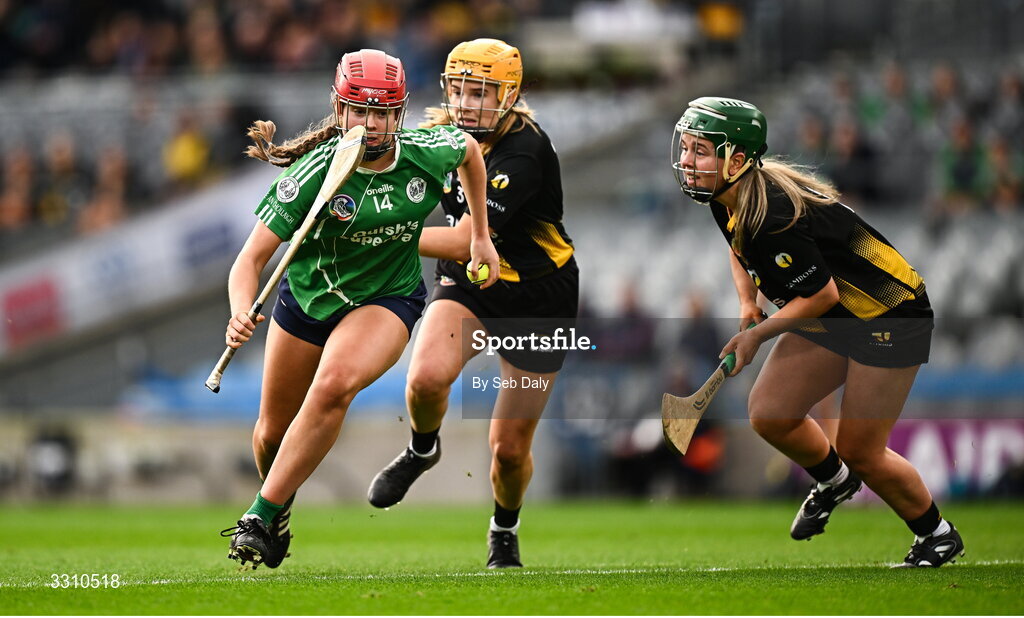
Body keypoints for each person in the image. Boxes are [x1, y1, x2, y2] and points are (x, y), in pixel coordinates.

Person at [218, 49, 498, 570]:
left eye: (382, 112)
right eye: (358, 110)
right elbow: (249, 261)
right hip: (307, 302)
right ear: (338, 109)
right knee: (270, 438)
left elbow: (469, 152)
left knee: (334, 383)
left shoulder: (426, 152)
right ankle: (279, 511)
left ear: (399, 114)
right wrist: (239, 311)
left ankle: (257, 515)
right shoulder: (311, 175)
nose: (370, 124)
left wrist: (479, 237)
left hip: (385, 298)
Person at [671, 96, 965, 568]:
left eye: (701, 150)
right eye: (686, 147)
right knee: (769, 412)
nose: (688, 161)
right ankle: (833, 480)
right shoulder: (726, 194)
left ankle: (936, 533)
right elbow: (737, 246)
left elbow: (823, 295)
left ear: (738, 159)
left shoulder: (771, 215)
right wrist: (749, 302)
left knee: (861, 450)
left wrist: (756, 336)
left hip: (889, 316)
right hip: (836, 313)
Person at [366, 38, 578, 569]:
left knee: (508, 449)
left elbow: (464, 239)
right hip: (469, 286)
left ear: (508, 96)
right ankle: (422, 448)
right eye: (458, 90)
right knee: (425, 380)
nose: (467, 103)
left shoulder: (526, 149)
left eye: (481, 92)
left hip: (538, 299)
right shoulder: (438, 135)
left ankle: (503, 528)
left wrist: (378, 232)